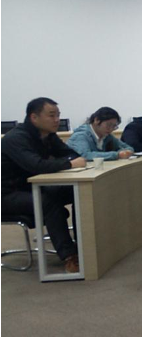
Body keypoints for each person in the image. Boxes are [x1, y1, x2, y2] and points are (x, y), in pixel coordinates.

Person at [0, 98, 86, 273]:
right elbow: (37, 166)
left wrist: (68, 161)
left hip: (33, 187)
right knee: (48, 203)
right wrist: (69, 164)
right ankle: (70, 256)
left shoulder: (48, 136)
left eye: (58, 115)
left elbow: (71, 154)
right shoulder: (15, 138)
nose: (57, 120)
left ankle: (85, 245)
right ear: (34, 117)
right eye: (51, 115)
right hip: (7, 194)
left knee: (79, 191)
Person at [66, 107, 134, 161]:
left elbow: (128, 147)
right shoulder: (80, 135)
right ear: (96, 120)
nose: (111, 129)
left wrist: (124, 152)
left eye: (114, 126)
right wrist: (117, 155)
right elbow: (85, 155)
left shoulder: (107, 136)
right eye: (108, 125)